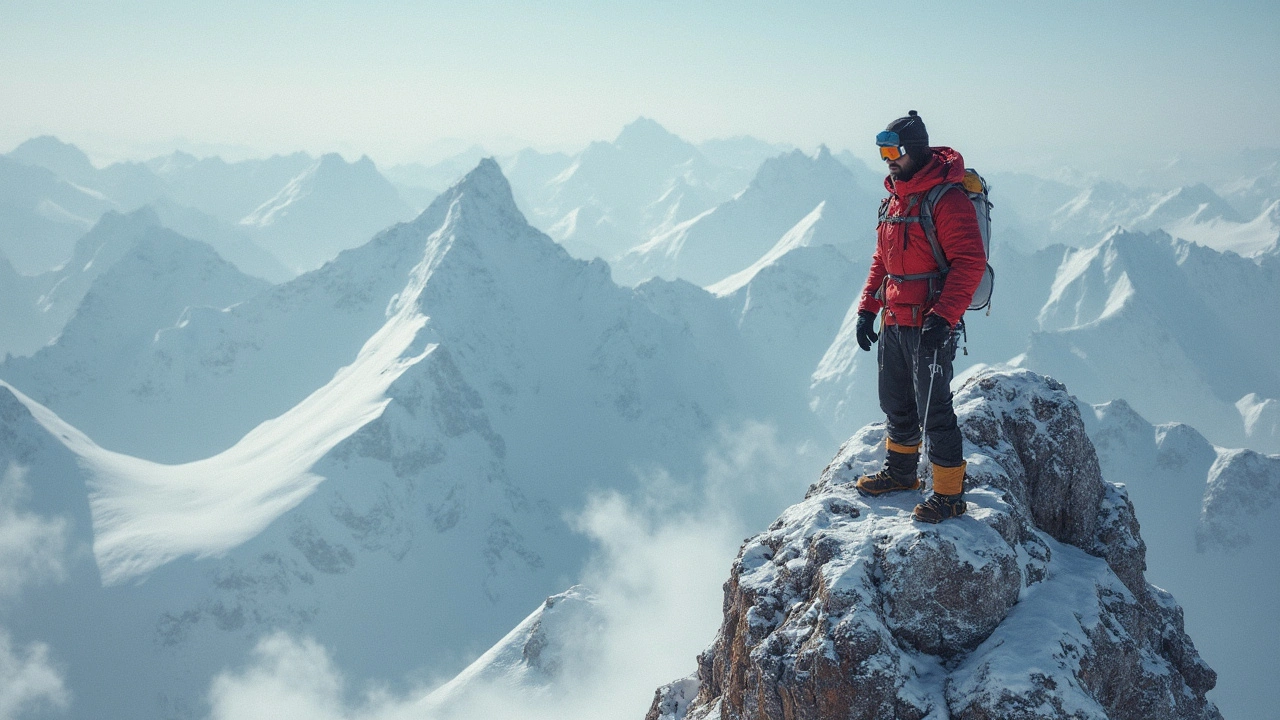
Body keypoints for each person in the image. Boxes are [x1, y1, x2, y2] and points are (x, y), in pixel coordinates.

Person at [853, 110, 986, 523]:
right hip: (895, 317)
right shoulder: (894, 198)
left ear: (913, 150)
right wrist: (867, 308)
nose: (887, 159)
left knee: (935, 408)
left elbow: (970, 262)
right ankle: (902, 474)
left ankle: (949, 495)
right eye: (882, 151)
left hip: (929, 321)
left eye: (893, 150)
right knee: (896, 400)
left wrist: (943, 319)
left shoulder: (947, 200)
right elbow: (883, 260)